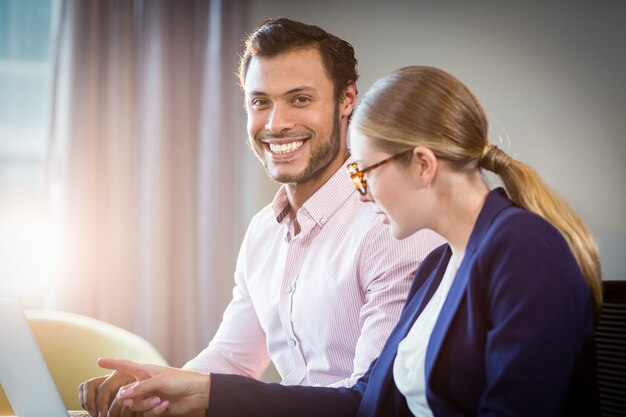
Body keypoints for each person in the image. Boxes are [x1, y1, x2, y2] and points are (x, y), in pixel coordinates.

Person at [98, 65, 602, 417]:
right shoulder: (439, 268)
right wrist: (205, 395)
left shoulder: (524, 250)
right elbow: (365, 400)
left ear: (422, 165)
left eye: (364, 173)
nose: (360, 193)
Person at [78, 19, 443, 417]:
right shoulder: (262, 233)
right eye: (260, 102)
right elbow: (232, 360)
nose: (275, 124)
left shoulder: (391, 226)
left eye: (300, 99)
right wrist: (152, 391)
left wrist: (208, 393)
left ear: (346, 100)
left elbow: (373, 404)